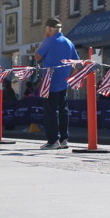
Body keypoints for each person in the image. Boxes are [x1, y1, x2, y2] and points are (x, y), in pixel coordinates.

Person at [34, 17, 79, 149]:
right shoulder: (69, 42)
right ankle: (64, 139)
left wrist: (44, 41)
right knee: (63, 111)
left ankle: (53, 141)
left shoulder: (49, 40)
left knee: (50, 112)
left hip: (50, 82)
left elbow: (37, 56)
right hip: (63, 83)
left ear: (49, 29)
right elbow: (76, 63)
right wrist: (69, 77)